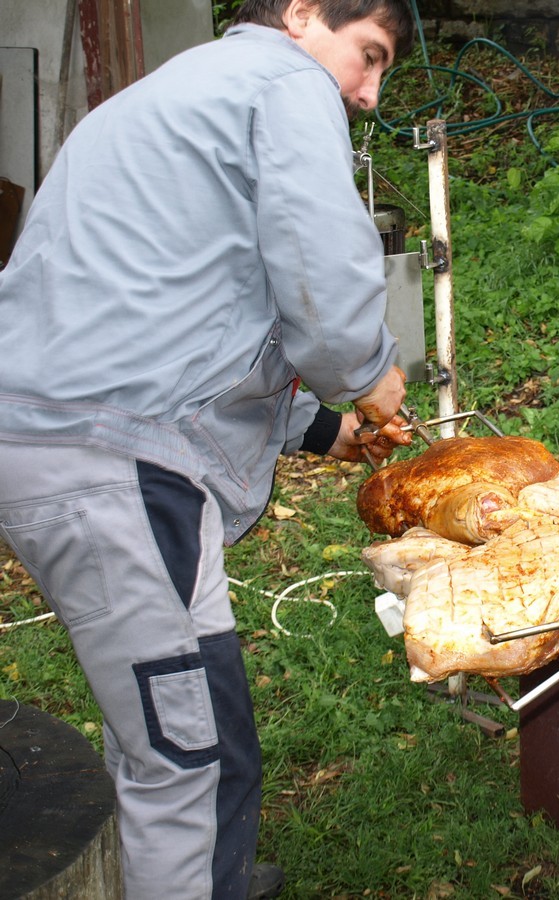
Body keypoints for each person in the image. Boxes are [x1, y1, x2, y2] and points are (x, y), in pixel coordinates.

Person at [0, 1, 415, 897]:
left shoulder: (190, 88)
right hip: (113, 465)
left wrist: (326, 430)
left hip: (100, 440)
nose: (369, 93)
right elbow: (321, 281)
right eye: (370, 55)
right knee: (176, 752)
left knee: (205, 707)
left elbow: (196, 321)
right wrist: (370, 374)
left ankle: (218, 877)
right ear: (303, 13)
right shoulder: (284, 82)